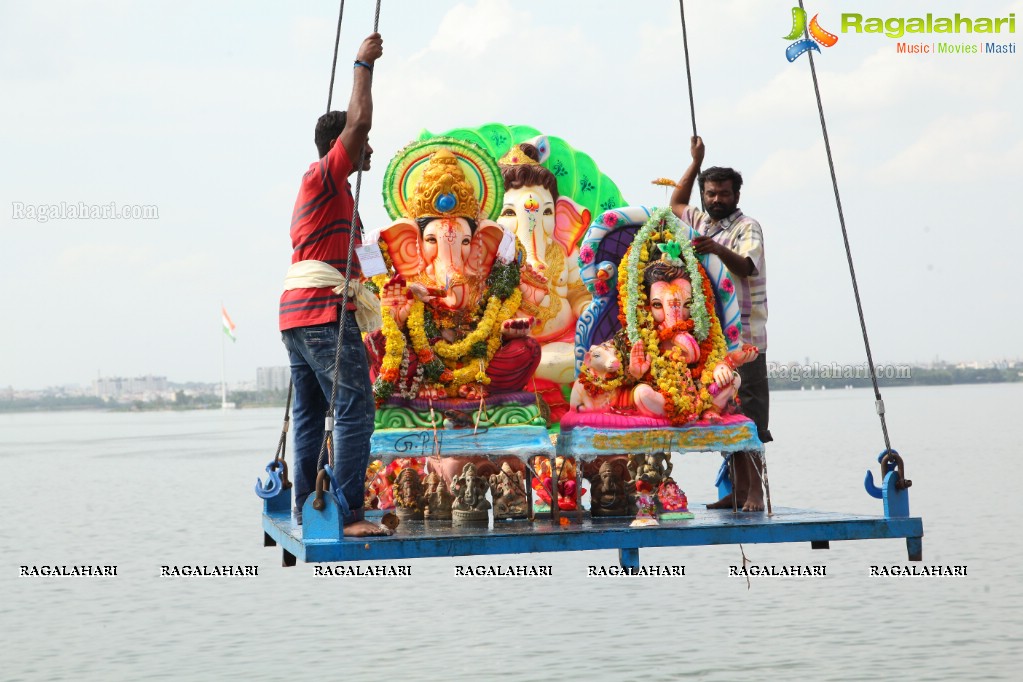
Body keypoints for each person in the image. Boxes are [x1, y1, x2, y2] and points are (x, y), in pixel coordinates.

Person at [278, 33, 391, 536]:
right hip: (322, 314)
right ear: (337, 146)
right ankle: (345, 514)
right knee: (354, 408)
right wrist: (363, 63)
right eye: (359, 141)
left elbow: (362, 263)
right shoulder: (321, 178)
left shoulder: (340, 198)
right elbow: (359, 118)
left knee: (310, 414)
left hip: (303, 313)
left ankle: (308, 509)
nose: (369, 145)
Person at [670, 136, 772, 512]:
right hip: (716, 345)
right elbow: (677, 203)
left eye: (723, 194)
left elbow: (746, 266)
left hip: (747, 341)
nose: (716, 200)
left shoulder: (748, 227)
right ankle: (736, 491)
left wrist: (715, 249)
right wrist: (695, 162)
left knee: (752, 417)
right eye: (711, 194)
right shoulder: (700, 221)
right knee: (727, 412)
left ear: (736, 194)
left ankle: (757, 494)